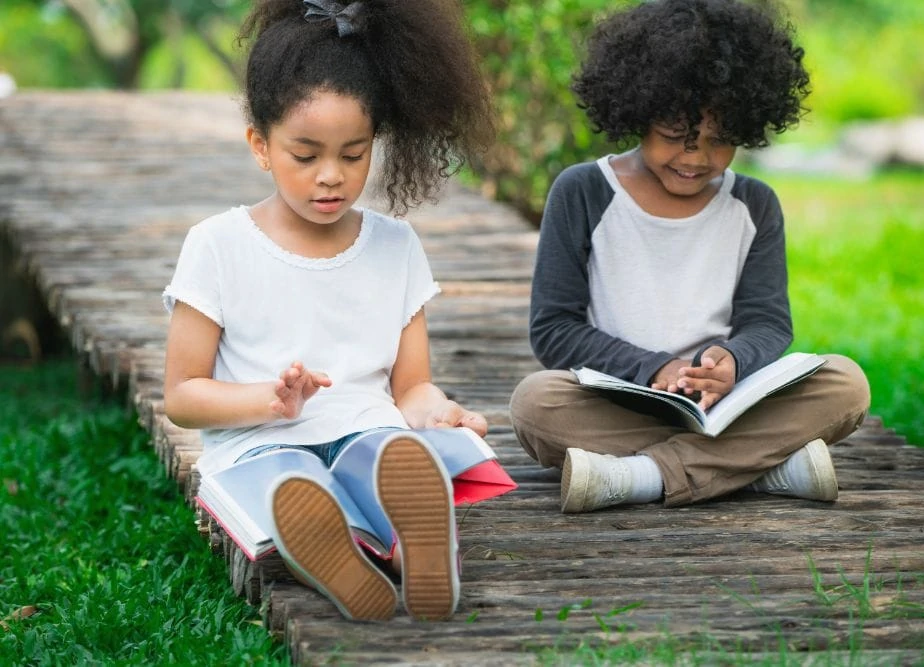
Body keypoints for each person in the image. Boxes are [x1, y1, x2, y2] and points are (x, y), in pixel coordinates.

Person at [162, 0, 495, 621]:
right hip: (260, 441)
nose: (330, 177)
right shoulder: (218, 244)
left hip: (367, 429)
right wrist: (271, 400)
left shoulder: (395, 245)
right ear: (260, 146)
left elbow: (411, 386)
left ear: (376, 143)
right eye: (305, 154)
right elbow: (182, 395)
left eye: (353, 154)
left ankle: (408, 539)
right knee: (294, 483)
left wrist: (439, 411)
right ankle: (351, 551)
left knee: (383, 453)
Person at [509, 0, 870, 514]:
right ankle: (760, 468)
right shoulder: (584, 191)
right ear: (636, 114)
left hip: (728, 406)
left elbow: (768, 322)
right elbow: (554, 329)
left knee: (847, 384)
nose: (695, 158)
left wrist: (732, 359)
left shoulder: (755, 204)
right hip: (621, 402)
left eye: (719, 141)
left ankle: (641, 476)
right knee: (535, 403)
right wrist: (654, 369)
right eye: (675, 138)